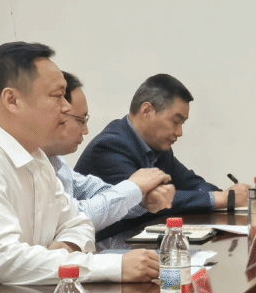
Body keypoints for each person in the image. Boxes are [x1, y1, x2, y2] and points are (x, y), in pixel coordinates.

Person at [0, 42, 158, 291]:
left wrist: (67, 246)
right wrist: (113, 267)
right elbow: (4, 261)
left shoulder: (36, 157)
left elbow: (78, 221)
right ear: (12, 100)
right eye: (57, 96)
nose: (66, 107)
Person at [76, 73, 238, 238]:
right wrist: (221, 199)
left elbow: (190, 183)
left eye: (182, 124)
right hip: (103, 246)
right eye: (176, 121)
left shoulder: (157, 146)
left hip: (139, 242)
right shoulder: (110, 146)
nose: (180, 132)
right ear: (147, 111)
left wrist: (230, 195)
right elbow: (154, 200)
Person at [46, 73, 173, 236]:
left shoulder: (55, 160)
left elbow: (93, 190)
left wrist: (142, 198)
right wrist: (134, 187)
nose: (86, 130)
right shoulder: (110, 144)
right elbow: (74, 218)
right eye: (80, 120)